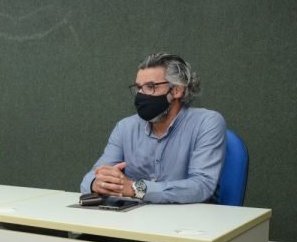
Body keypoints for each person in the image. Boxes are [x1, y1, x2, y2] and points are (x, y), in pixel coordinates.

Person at [80, 53, 226, 204]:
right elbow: (90, 178)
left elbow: (202, 186)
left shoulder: (207, 122)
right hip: (136, 216)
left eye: (150, 87)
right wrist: (98, 183)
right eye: (138, 88)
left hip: (188, 217)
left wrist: (136, 189)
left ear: (177, 90)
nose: (141, 95)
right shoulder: (125, 128)